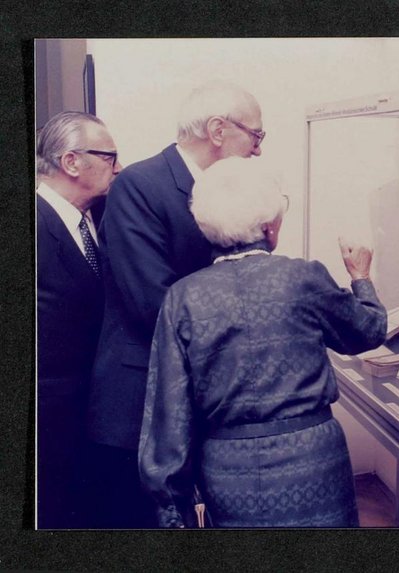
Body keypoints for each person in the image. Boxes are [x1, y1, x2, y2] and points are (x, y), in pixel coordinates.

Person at [138, 157, 387, 528]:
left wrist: (171, 507)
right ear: (270, 227)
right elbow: (369, 331)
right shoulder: (303, 278)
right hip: (313, 461)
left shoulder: (183, 298)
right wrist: (361, 278)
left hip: (228, 469)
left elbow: (169, 409)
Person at [85, 82, 264, 528]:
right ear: (218, 130)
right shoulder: (140, 186)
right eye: (256, 135)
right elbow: (153, 303)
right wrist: (248, 335)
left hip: (195, 393)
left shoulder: (226, 190)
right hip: (141, 403)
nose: (258, 150)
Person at [35, 111, 122, 528]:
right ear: (71, 162)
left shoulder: (101, 218)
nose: (117, 168)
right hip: (50, 431)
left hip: (94, 423)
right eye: (109, 157)